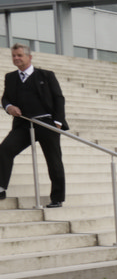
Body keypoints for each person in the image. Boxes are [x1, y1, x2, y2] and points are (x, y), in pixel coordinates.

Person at [0, 44, 68, 207]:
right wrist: (9, 107)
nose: (16, 58)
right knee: (4, 150)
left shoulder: (46, 75)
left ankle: (57, 198)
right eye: (14, 55)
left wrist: (58, 123)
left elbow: (58, 98)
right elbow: (5, 98)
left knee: (54, 160)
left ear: (29, 57)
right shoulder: (10, 77)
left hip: (46, 123)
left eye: (19, 55)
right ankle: (1, 187)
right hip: (23, 124)